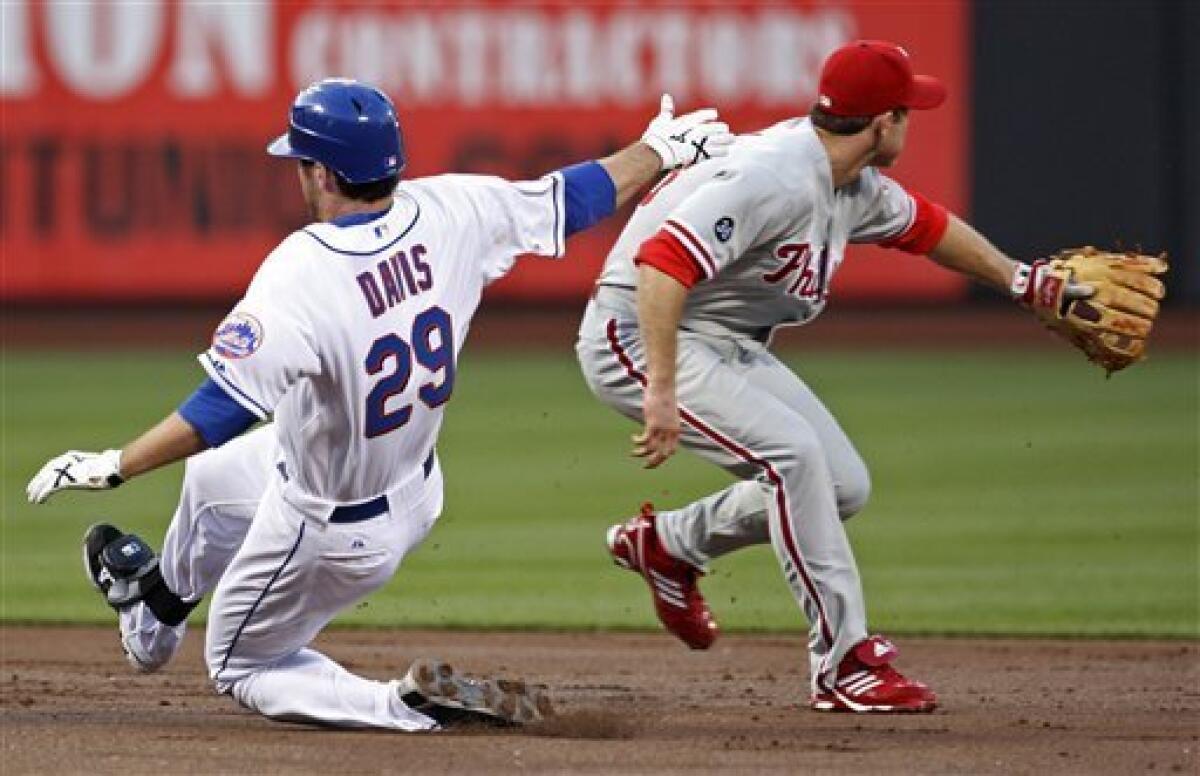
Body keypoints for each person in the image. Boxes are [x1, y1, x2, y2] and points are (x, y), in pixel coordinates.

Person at [26, 78, 732, 731]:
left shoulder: (300, 272)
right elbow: (571, 197)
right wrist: (659, 152)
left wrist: (115, 464)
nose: (299, 173)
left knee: (239, 664)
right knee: (212, 486)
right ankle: (150, 621)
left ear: (325, 174)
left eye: (302, 162)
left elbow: (222, 408)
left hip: (327, 524)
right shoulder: (454, 209)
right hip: (410, 486)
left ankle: (401, 705)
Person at [576, 40, 1088, 713]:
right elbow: (662, 264)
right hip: (637, 336)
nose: (910, 122)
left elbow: (928, 228)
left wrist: (1023, 282)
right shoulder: (776, 176)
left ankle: (668, 545)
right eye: (907, 111)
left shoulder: (850, 183)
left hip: (718, 338)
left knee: (841, 483)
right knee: (794, 458)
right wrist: (662, 390)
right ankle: (844, 662)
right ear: (883, 124)